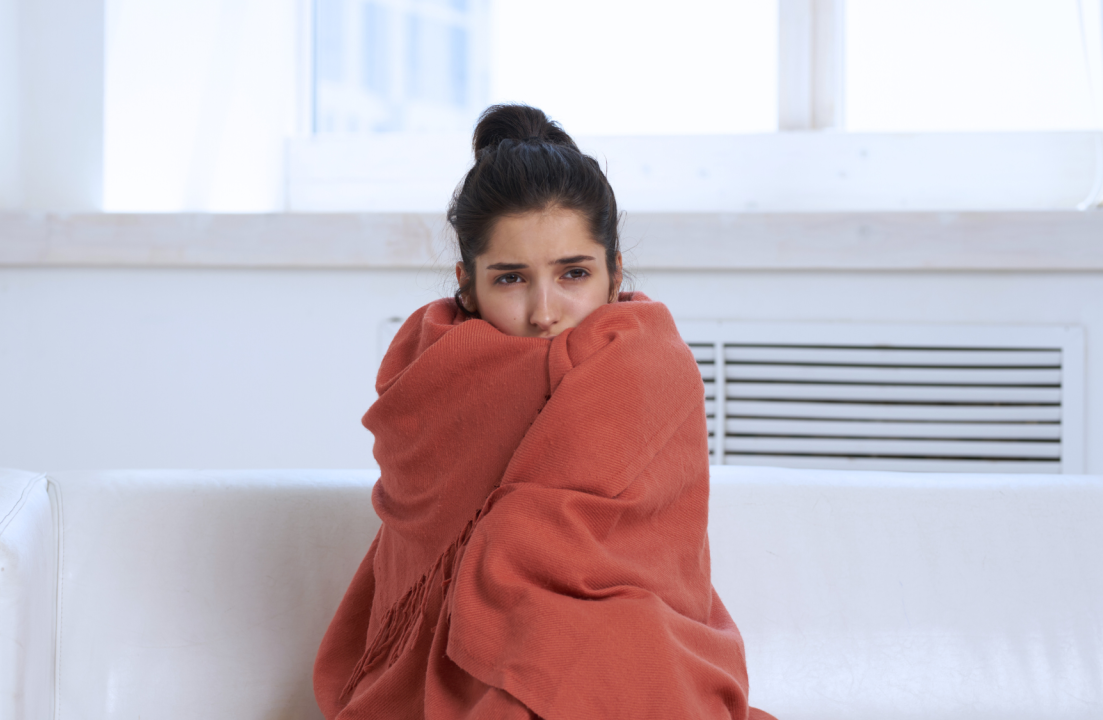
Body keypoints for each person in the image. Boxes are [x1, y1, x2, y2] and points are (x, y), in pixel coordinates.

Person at [314, 104, 773, 720]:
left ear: (613, 276)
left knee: (618, 642)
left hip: (623, 626)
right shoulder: (426, 383)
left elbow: (644, 558)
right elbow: (416, 575)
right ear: (466, 284)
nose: (544, 311)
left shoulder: (646, 363)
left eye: (573, 274)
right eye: (510, 279)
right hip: (452, 659)